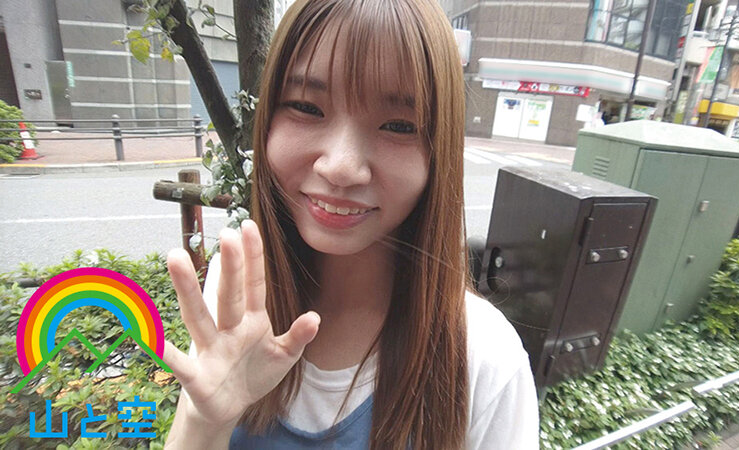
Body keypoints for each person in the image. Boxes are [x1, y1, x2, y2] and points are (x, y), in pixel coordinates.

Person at [162, 0, 538, 448]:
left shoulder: (484, 357)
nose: (341, 167)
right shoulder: (238, 293)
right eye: (306, 106)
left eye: (398, 125)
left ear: (438, 149)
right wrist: (204, 421)